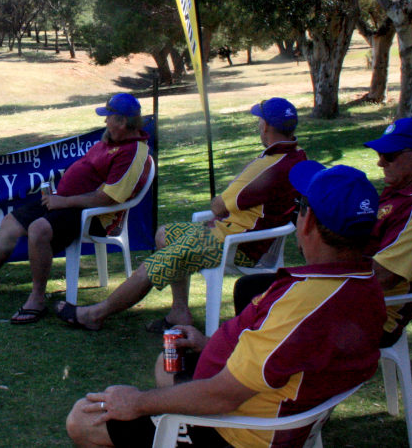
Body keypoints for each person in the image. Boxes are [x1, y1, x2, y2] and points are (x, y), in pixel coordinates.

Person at [65, 162, 386, 448]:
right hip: (264, 404)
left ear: (308, 222)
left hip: (232, 429)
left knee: (82, 418)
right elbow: (285, 357)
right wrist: (208, 344)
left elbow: (223, 394)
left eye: (299, 205)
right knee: (169, 360)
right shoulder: (364, 287)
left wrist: (136, 402)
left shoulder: (302, 306)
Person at [55, 97, 305, 332]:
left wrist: (230, 193)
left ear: (266, 126)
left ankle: (95, 314)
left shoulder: (268, 166)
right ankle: (179, 313)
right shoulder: (294, 154)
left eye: (259, 120)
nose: (257, 124)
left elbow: (218, 206)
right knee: (164, 234)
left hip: (235, 244)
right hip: (239, 234)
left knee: (154, 264)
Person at [233, 117, 412, 347]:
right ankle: (248, 363)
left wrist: (322, 273)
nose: (380, 163)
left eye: (389, 156)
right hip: (355, 291)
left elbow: (385, 277)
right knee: (254, 290)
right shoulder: (405, 189)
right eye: (379, 154)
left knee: (261, 297)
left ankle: (255, 370)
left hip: (373, 314)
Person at [0, 93, 152, 325]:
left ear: (123, 122)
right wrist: (59, 197)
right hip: (65, 201)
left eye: (108, 117)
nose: (104, 122)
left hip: (94, 215)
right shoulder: (111, 141)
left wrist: (63, 202)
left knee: (38, 230)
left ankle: (37, 298)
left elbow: (108, 198)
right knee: (10, 223)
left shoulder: (133, 153)